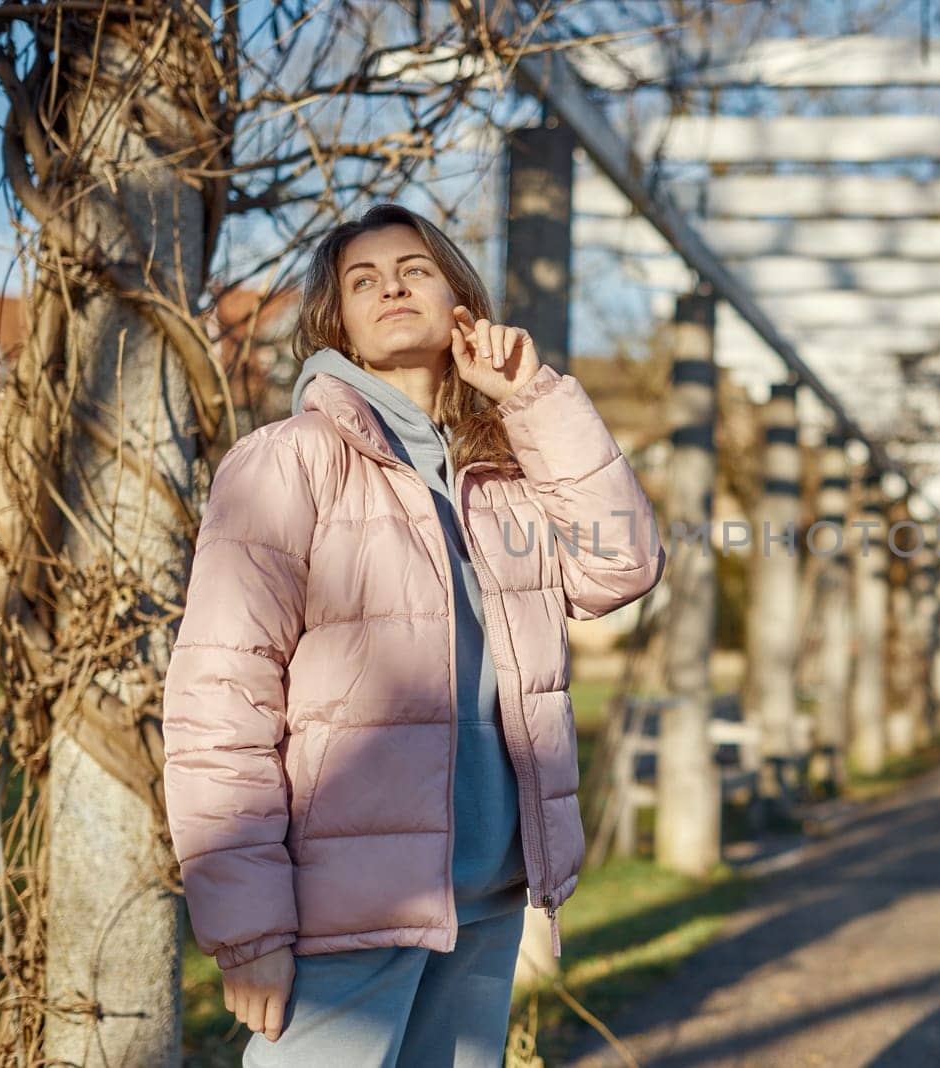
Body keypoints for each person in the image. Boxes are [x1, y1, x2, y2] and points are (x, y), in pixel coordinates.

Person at [162, 203, 666, 1066]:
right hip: (346, 901)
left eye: (415, 269)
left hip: (488, 892)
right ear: (338, 322)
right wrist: (247, 928)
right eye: (364, 279)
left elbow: (621, 565)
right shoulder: (290, 460)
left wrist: (533, 400)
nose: (391, 285)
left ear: (460, 304)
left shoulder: (506, 472)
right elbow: (220, 697)